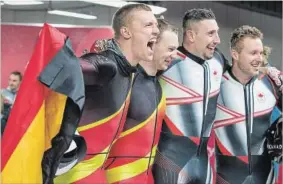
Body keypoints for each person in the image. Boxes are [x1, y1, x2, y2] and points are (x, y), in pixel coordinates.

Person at [54, 3, 159, 183]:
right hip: (74, 177)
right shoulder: (105, 65)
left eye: (156, 25)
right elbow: (64, 70)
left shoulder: (128, 72)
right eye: (148, 25)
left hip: (96, 174)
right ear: (126, 32)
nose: (156, 30)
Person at [152, 8, 228, 184]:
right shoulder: (167, 61)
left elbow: (240, 73)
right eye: (211, 33)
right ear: (191, 36)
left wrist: (268, 70)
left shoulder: (218, 59)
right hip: (171, 160)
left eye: (217, 33)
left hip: (204, 161)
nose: (217, 39)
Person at [104, 18, 179, 184]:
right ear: (151, 44)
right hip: (117, 178)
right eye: (170, 49)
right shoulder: (124, 80)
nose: (175, 55)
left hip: (146, 178)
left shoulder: (158, 83)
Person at [213, 25, 282, 184]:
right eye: (253, 53)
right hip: (226, 176)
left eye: (260, 52)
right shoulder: (215, 84)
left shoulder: (272, 83)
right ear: (235, 54)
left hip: (265, 175)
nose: (259, 58)